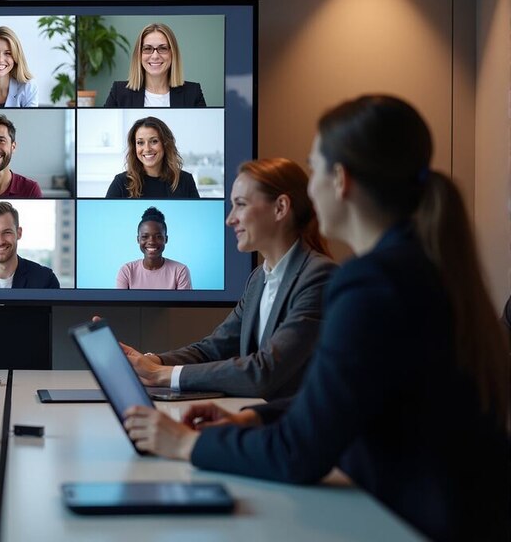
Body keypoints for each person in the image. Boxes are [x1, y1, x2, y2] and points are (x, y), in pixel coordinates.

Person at [123, 96, 510, 541]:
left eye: (315, 167)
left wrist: (186, 444)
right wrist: (256, 419)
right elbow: (355, 395)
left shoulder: (370, 284)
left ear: (341, 180)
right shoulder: (414, 267)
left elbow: (299, 454)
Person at [120, 159, 335, 399]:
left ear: (280, 208)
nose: (230, 219)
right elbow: (214, 349)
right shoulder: (258, 279)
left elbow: (264, 371)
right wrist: (150, 361)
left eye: (240, 205)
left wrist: (162, 374)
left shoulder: (319, 277)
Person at [103, 23, 205, 108]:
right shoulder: (119, 92)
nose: (155, 56)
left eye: (163, 48)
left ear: (173, 53)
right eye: (147, 49)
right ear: (139, 55)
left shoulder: (193, 93)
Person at [105, 116, 199, 199]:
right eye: (140, 143)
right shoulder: (121, 183)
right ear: (134, 147)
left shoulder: (186, 180)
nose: (147, 149)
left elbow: (197, 216)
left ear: (165, 144)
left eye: (154, 141)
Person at [116, 207, 192, 290]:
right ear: (138, 239)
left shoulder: (180, 271)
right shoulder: (127, 271)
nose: (151, 242)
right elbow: (120, 303)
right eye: (145, 236)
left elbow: (184, 303)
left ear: (166, 239)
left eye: (158, 237)